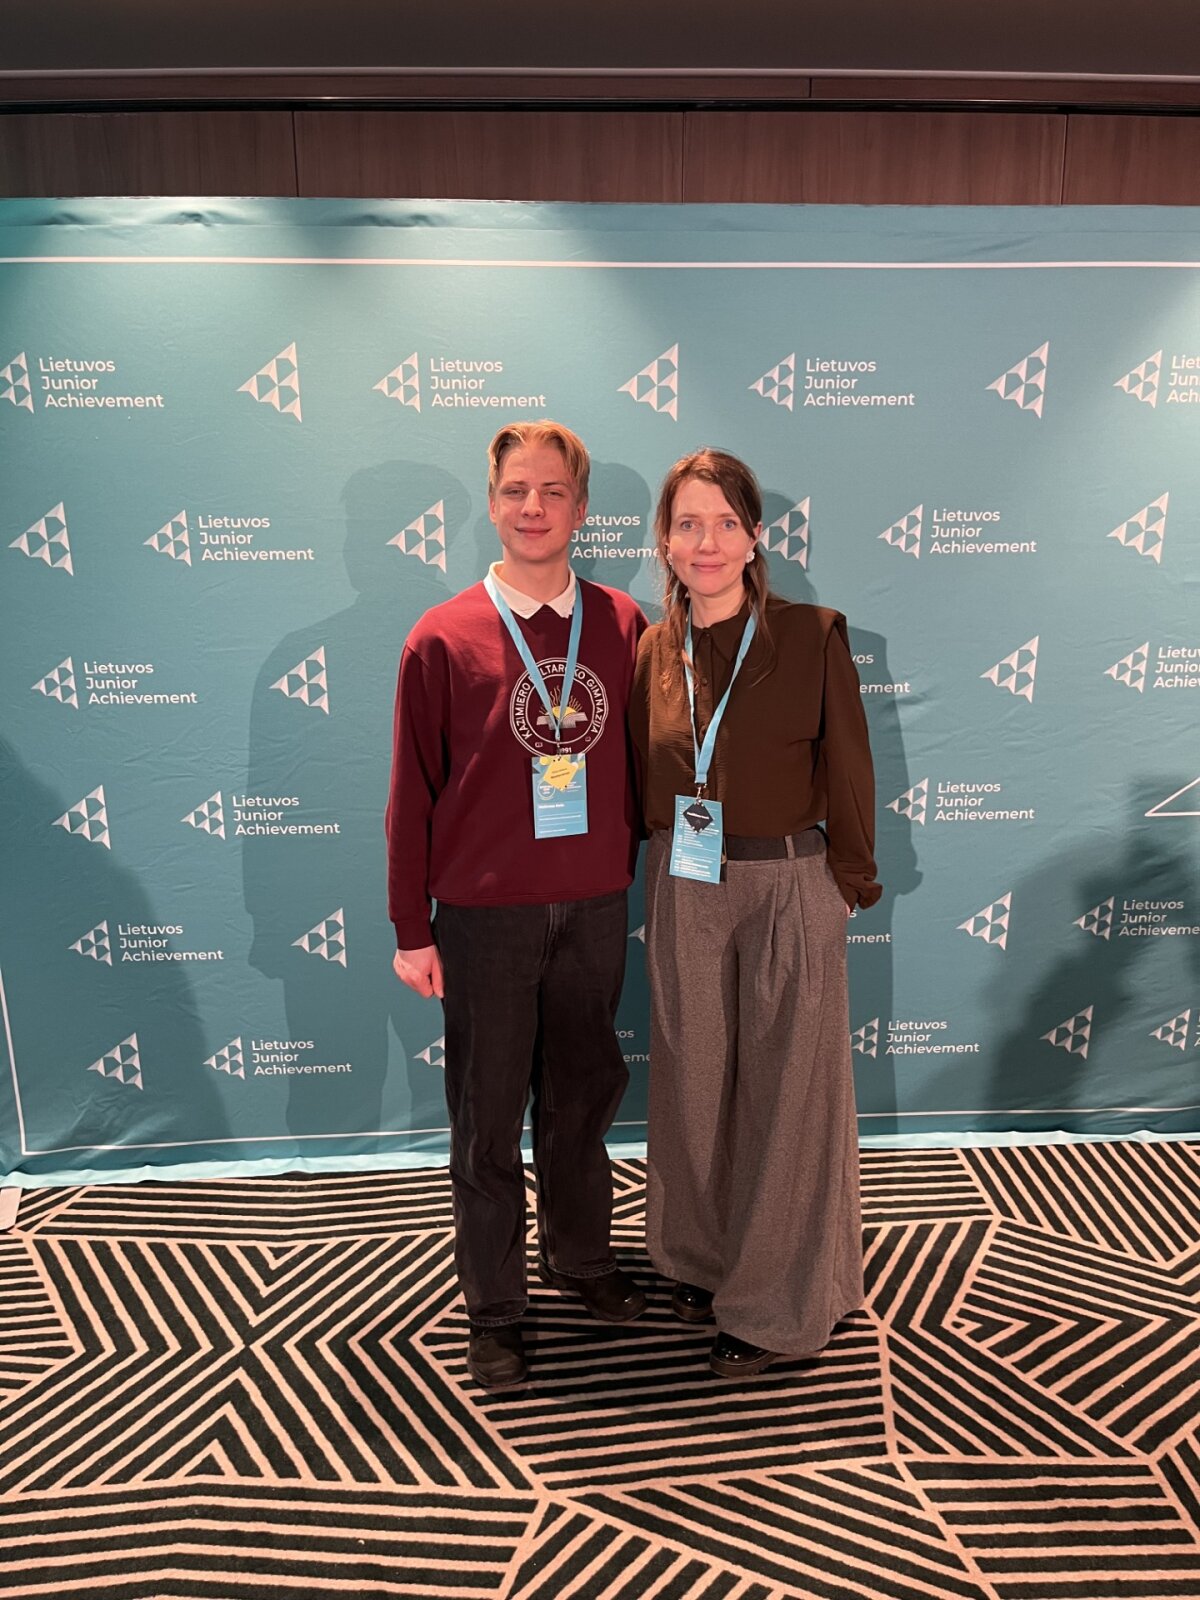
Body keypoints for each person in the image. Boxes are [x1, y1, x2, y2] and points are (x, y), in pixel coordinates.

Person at [386, 420, 648, 1391]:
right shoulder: (442, 634)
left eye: (553, 491)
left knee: (582, 1100)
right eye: (514, 491)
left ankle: (580, 1257)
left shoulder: (624, 624)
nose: (533, 508)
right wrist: (410, 929)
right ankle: (495, 1305)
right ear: (491, 505)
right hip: (484, 917)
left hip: (595, 906)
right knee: (486, 1118)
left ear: (581, 510)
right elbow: (411, 792)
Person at [629, 447, 880, 1378]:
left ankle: (778, 1302)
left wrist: (847, 882)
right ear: (665, 541)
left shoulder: (812, 636)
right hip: (685, 885)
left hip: (788, 883)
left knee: (789, 1097)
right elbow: (644, 777)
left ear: (755, 537)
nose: (707, 542)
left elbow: (849, 767)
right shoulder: (652, 651)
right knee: (692, 1086)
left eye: (725, 523)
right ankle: (698, 1258)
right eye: (688, 524)